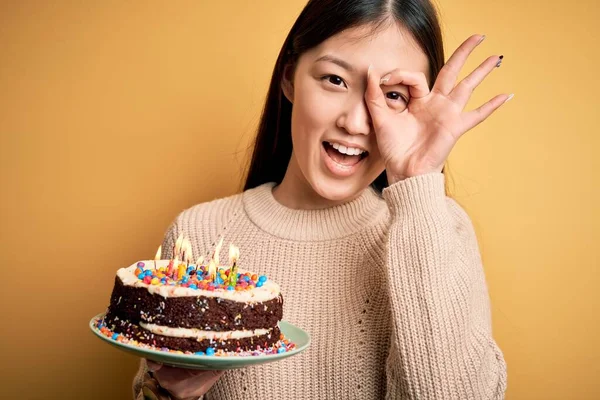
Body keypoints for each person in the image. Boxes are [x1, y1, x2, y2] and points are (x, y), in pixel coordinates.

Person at [133, 0, 510, 398]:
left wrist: (416, 182)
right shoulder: (200, 234)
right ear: (290, 78)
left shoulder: (441, 230)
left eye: (394, 94)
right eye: (335, 80)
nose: (357, 121)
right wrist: (171, 394)